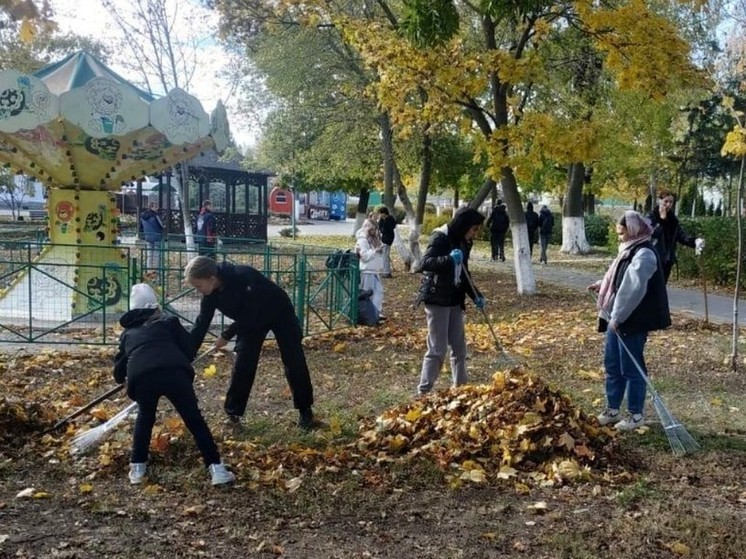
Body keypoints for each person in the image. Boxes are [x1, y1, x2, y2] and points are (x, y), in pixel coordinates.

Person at [113, 283, 235, 486]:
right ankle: (217, 470)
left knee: (145, 418)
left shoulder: (128, 334)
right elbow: (189, 350)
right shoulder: (169, 322)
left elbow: (118, 369)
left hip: (143, 377)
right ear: (156, 308)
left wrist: (123, 378)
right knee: (194, 419)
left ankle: (137, 469)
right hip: (174, 373)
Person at [185, 256, 321, 430]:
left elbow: (252, 312)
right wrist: (187, 355)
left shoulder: (243, 276)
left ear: (212, 278)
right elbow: (201, 324)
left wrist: (226, 335)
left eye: (198, 286)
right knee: (244, 363)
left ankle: (306, 413)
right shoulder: (210, 295)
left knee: (293, 359)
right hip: (250, 322)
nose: (198, 291)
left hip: (279, 312)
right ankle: (233, 416)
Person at [588, 211, 671, 431]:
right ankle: (612, 409)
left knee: (631, 368)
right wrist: (601, 284)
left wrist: (617, 317)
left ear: (633, 230)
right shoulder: (628, 249)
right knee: (612, 364)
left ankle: (636, 415)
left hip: (633, 319)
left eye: (621, 233)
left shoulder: (645, 254)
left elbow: (631, 290)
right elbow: (618, 276)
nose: (619, 237)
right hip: (617, 316)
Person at [416, 207, 486, 396]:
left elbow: (464, 273)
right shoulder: (441, 236)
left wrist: (476, 295)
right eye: (474, 228)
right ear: (464, 225)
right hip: (437, 298)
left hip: (455, 299)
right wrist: (448, 259)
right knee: (438, 349)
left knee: (459, 348)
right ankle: (424, 392)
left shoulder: (465, 241)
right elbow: (425, 264)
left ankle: (461, 390)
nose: (475, 233)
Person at [647, 190, 705, 283]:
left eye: (671, 202)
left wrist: (695, 241)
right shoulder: (651, 217)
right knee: (651, 289)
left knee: (661, 290)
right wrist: (661, 221)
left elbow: (681, 236)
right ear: (659, 201)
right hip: (652, 259)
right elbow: (651, 234)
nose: (668, 204)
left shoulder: (673, 220)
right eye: (666, 201)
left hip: (667, 261)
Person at [355, 218, 384, 319]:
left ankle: (376, 312)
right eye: (370, 228)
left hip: (374, 270)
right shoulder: (362, 240)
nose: (373, 231)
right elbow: (364, 257)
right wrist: (375, 250)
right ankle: (368, 314)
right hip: (367, 270)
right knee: (368, 293)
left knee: (378, 291)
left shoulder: (373, 239)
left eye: (374, 228)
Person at [140, 202, 164, 270]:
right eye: (155, 207)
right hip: (157, 236)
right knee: (157, 254)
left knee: (149, 254)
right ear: (151, 207)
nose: (157, 208)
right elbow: (161, 225)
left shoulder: (142, 216)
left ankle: (149, 269)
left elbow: (141, 227)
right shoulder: (155, 216)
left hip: (147, 237)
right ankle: (156, 269)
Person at [377, 207, 396, 278]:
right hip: (384, 239)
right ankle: (385, 271)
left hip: (388, 239)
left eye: (380, 214)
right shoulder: (382, 220)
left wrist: (383, 227)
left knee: (385, 256)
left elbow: (386, 229)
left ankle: (386, 272)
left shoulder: (389, 219)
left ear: (384, 213)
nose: (380, 215)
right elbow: (380, 227)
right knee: (383, 255)